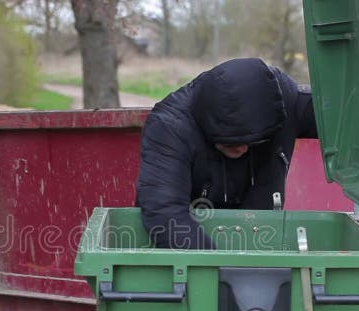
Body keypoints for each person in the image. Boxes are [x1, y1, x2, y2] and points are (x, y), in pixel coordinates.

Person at [135, 57, 319, 249]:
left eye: (254, 142)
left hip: (261, 243)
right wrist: (222, 271)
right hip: (188, 254)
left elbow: (340, 120)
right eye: (231, 142)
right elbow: (166, 214)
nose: (243, 148)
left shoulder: (281, 100)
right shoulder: (169, 128)